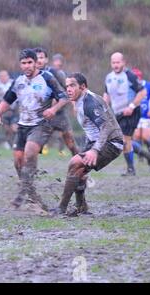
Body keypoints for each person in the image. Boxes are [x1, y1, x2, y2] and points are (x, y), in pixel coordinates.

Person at [0, 49, 69, 212]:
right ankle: (32, 193)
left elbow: (64, 97)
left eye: (30, 62)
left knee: (30, 153)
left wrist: (54, 109)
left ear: (36, 63)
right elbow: (7, 100)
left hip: (41, 124)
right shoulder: (19, 81)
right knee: (18, 161)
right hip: (23, 125)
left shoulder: (47, 78)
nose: (27, 66)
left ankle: (21, 193)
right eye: (23, 63)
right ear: (20, 64)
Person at [52, 73, 124, 215]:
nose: (69, 89)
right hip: (95, 142)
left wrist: (95, 150)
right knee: (78, 172)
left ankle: (61, 208)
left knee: (74, 164)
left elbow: (107, 127)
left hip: (112, 143)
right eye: (67, 86)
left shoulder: (90, 102)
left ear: (83, 87)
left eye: (72, 85)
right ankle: (81, 207)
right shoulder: (78, 99)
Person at [103, 52, 147, 176]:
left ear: (123, 62)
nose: (116, 65)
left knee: (124, 140)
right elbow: (106, 94)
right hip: (117, 113)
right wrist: (104, 107)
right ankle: (148, 156)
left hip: (131, 113)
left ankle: (131, 170)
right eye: (113, 62)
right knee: (122, 140)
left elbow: (142, 92)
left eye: (118, 62)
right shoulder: (109, 77)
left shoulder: (130, 75)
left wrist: (132, 106)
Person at [34, 47, 78, 157]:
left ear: (46, 60)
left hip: (59, 115)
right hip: (41, 117)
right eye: (36, 58)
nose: (39, 60)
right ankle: (30, 171)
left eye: (41, 57)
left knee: (71, 143)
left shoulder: (56, 73)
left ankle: (81, 168)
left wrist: (74, 105)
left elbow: (69, 90)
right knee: (34, 146)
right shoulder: (29, 76)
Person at [130, 68, 150, 172]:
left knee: (145, 136)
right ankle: (143, 155)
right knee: (135, 136)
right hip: (135, 115)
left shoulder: (148, 86)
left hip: (146, 116)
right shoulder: (129, 86)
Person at [0, 70, 18, 149]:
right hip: (3, 112)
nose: (3, 78)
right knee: (7, 130)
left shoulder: (13, 84)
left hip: (14, 111)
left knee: (14, 128)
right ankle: (11, 145)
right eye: (1, 76)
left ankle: (17, 143)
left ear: (8, 76)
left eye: (4, 76)